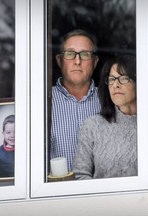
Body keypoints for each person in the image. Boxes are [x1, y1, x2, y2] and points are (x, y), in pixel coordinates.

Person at [73, 55, 137, 179]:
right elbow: (80, 175)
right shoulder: (93, 126)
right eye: (112, 79)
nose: (115, 85)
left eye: (123, 78)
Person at [50, 29, 101, 171]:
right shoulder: (44, 102)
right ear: (59, 61)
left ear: (95, 62)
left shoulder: (109, 100)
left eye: (85, 54)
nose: (77, 61)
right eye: (70, 54)